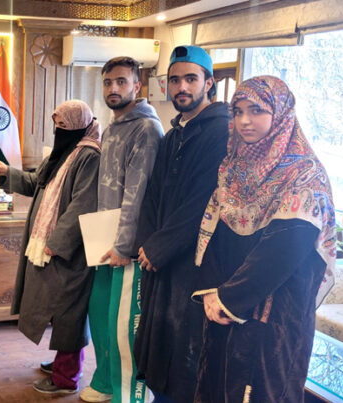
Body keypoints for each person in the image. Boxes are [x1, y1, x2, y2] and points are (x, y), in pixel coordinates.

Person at [191, 76, 336, 402]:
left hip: (274, 315)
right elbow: (215, 234)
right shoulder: (234, 168)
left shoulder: (304, 175)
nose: (245, 120)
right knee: (215, 385)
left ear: (280, 113)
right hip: (223, 309)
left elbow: (283, 251)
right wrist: (212, 292)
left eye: (256, 110)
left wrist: (228, 299)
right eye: (238, 111)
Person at [132, 45, 230, 403]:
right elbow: (152, 194)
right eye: (175, 80)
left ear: (209, 82)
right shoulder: (174, 135)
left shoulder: (221, 132)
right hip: (161, 263)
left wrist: (159, 248)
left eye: (191, 79)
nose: (182, 87)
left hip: (194, 263)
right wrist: (146, 244)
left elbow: (204, 201)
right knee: (158, 349)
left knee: (185, 360)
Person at [0, 99, 101, 395]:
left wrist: (57, 242)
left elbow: (82, 205)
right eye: (57, 125)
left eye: (65, 125)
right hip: (52, 245)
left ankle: (67, 378)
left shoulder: (90, 155)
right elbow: (36, 182)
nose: (59, 130)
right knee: (58, 309)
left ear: (79, 125)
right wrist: (7, 172)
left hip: (70, 250)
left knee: (69, 314)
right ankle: (62, 363)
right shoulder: (65, 151)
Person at [82, 57, 163, 403]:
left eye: (121, 81)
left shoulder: (146, 128)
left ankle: (129, 395)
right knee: (100, 316)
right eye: (107, 82)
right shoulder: (113, 126)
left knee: (123, 325)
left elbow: (137, 194)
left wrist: (124, 246)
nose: (113, 88)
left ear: (136, 86)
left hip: (128, 247)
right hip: (104, 238)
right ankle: (105, 381)